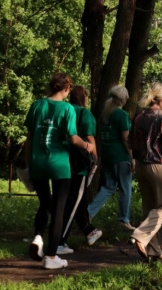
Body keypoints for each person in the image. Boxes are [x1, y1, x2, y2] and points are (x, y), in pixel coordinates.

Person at [25, 73, 96, 270]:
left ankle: (38, 237)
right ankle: (52, 256)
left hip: (37, 162)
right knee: (58, 210)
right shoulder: (67, 109)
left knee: (43, 203)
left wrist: (27, 163)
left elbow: (29, 138)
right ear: (66, 89)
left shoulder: (37, 105)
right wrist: (87, 146)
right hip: (59, 164)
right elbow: (73, 138)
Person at [130, 82, 162, 262]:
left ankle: (154, 252)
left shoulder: (138, 116)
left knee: (149, 208)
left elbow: (131, 141)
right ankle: (141, 235)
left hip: (141, 165)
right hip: (159, 165)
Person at [59, 86, 103, 253]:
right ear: (84, 98)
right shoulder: (85, 114)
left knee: (77, 199)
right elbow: (90, 140)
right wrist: (95, 159)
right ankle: (60, 240)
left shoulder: (64, 110)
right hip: (79, 164)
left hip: (62, 160)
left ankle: (88, 230)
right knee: (73, 201)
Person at [87, 85, 134, 229]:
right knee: (125, 188)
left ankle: (88, 213)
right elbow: (125, 138)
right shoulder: (121, 115)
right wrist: (132, 157)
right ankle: (124, 220)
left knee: (108, 187)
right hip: (120, 156)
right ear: (123, 99)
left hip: (107, 155)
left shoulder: (105, 114)